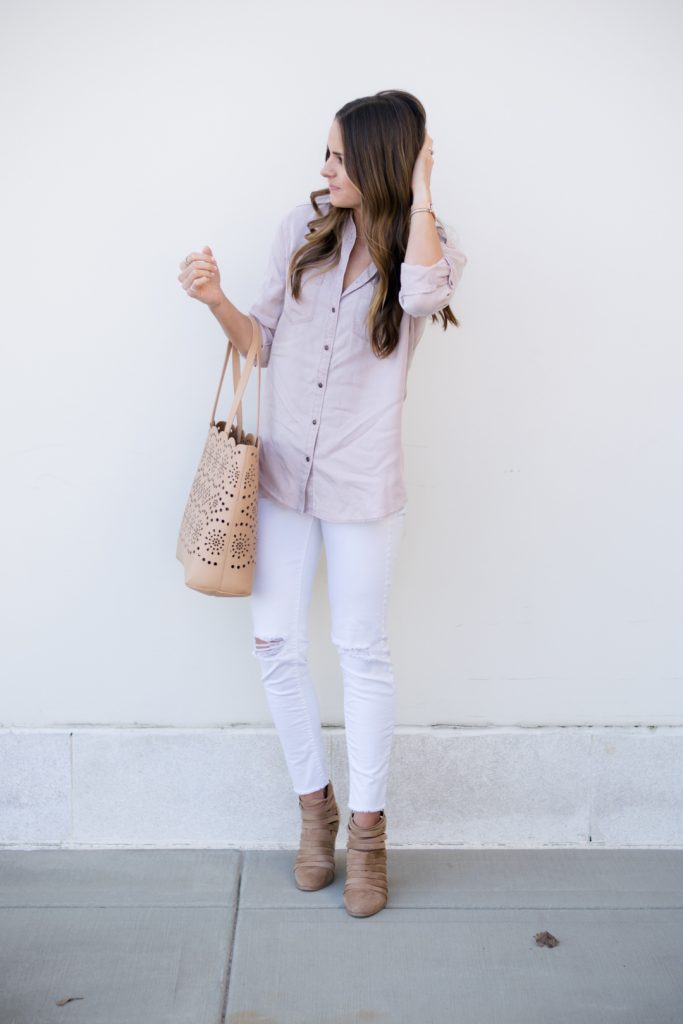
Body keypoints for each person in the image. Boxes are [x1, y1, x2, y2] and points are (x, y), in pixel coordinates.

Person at [177, 89, 467, 918]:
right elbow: (258, 343)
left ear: (379, 160)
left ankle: (369, 841)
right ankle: (316, 814)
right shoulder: (298, 235)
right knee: (274, 641)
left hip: (361, 482)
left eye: (338, 156)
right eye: (326, 155)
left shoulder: (426, 247)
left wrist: (420, 192)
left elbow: (418, 299)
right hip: (280, 476)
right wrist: (215, 299)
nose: (323, 169)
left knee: (359, 650)